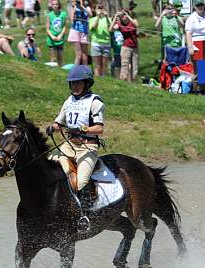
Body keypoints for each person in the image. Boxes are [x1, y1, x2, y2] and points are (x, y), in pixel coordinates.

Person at [47, 65, 105, 230]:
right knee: (47, 166)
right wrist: (52, 127)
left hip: (87, 147)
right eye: (72, 84)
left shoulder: (95, 102)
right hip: (69, 145)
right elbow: (59, 122)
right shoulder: (69, 101)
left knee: (80, 182)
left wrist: (82, 129)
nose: (74, 87)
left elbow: (100, 128)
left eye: (78, 83)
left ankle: (83, 214)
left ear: (87, 83)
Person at [185, 0, 205, 82]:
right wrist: (190, 47)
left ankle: (204, 87)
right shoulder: (192, 18)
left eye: (201, 5)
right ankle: (197, 88)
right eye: (198, 5)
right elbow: (188, 33)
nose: (200, 7)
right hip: (197, 44)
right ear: (194, 7)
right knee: (199, 68)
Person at [111, 8, 138, 82]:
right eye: (122, 16)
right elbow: (111, 29)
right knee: (125, 65)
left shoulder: (133, 21)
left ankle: (132, 82)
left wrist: (128, 16)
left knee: (134, 68)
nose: (124, 17)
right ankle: (123, 81)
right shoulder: (119, 24)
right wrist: (116, 16)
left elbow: (136, 25)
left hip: (135, 47)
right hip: (125, 47)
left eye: (125, 15)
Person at [88, 3, 111, 76]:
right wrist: (98, 16)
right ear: (95, 10)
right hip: (96, 44)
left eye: (102, 8)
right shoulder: (92, 19)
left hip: (106, 44)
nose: (100, 10)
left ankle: (104, 80)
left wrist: (107, 16)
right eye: (98, 8)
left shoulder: (108, 19)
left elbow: (110, 28)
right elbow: (94, 27)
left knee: (105, 65)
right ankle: (98, 81)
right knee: (97, 65)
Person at [67, 0, 91, 65]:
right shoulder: (72, 7)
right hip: (75, 30)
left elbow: (90, 15)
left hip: (84, 32)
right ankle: (75, 72)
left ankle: (85, 72)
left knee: (85, 56)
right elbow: (71, 20)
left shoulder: (87, 7)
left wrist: (82, 7)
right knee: (79, 54)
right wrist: (74, 10)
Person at [46, 0, 67, 66]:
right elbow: (47, 29)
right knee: (53, 58)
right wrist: (52, 36)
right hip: (51, 39)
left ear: (59, 5)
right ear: (51, 5)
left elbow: (64, 26)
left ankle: (60, 72)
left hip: (60, 39)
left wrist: (60, 36)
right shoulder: (49, 15)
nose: (55, 6)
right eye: (53, 4)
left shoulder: (63, 14)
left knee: (60, 58)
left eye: (56, 4)